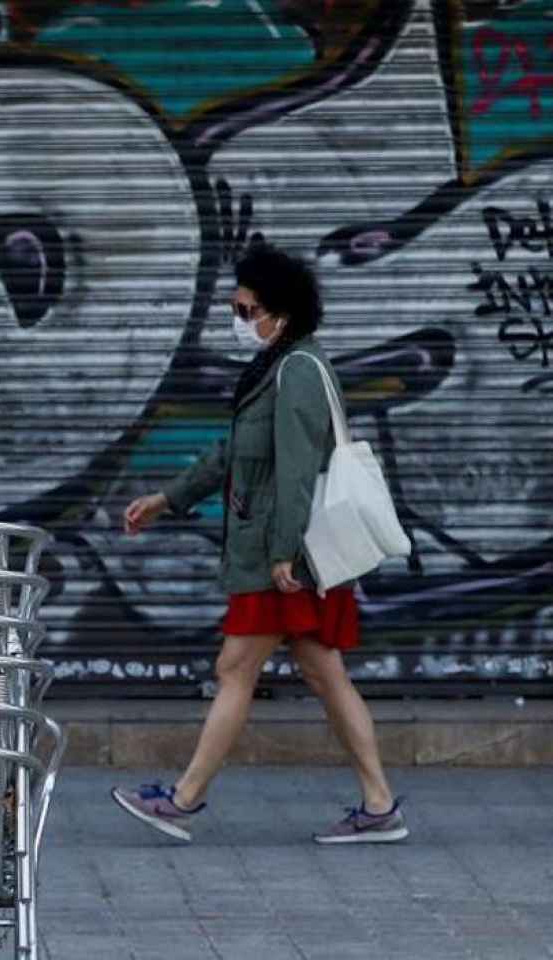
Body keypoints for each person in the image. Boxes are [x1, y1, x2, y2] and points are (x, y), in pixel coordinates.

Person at [109, 245, 407, 845]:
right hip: (282, 551)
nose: (238, 318)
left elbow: (297, 470)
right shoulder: (277, 365)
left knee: (236, 667)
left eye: (247, 309)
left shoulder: (296, 371)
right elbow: (234, 452)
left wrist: (283, 552)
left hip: (282, 555)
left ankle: (185, 799)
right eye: (236, 306)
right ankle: (378, 805)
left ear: (283, 313)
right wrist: (167, 498)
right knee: (324, 673)